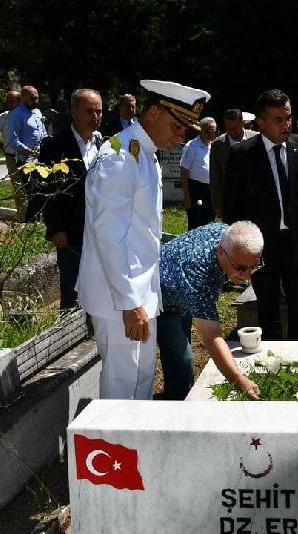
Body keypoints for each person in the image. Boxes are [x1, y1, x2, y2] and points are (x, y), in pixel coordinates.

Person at [77, 79, 210, 400]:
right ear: (152, 113)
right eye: (178, 125)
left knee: (142, 377)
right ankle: (116, 448)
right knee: (123, 383)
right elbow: (108, 236)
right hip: (119, 297)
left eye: (186, 128)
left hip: (138, 291)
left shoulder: (143, 152)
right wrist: (129, 303)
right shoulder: (121, 157)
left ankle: (135, 448)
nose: (182, 136)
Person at [224, 89, 298, 340]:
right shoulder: (242, 155)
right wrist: (238, 251)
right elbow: (233, 207)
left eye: (289, 117)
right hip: (262, 246)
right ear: (261, 122)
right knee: (267, 306)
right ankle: (271, 360)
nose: (286, 124)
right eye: (278, 119)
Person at [158, 221, 263, 400]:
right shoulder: (196, 270)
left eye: (254, 266)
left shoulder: (231, 237)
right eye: (240, 268)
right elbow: (211, 336)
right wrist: (238, 379)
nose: (247, 276)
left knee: (178, 356)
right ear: (221, 253)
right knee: (181, 359)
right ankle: (178, 411)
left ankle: (179, 398)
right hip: (162, 299)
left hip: (182, 292)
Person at [38, 89, 103, 312]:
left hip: (101, 229)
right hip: (71, 231)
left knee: (98, 286)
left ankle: (94, 329)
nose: (95, 117)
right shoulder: (55, 146)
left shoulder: (102, 144)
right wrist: (56, 228)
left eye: (99, 111)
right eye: (89, 111)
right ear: (73, 111)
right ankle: (68, 337)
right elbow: (44, 191)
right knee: (72, 286)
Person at [5, 85, 47, 220]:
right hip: (24, 160)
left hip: (39, 158)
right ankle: (26, 219)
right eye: (32, 99)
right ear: (23, 98)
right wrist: (28, 151)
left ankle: (37, 216)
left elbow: (43, 132)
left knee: (39, 188)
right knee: (25, 191)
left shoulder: (37, 112)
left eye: (37, 98)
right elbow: (12, 139)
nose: (35, 101)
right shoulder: (15, 115)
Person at [210, 108, 259, 219]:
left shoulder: (257, 139)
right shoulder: (218, 145)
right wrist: (217, 204)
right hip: (230, 202)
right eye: (228, 129)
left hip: (255, 200)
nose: (232, 132)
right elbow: (215, 177)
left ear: (243, 123)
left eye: (235, 128)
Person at [180, 116, 217, 229]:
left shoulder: (214, 145)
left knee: (209, 220)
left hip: (209, 189)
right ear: (201, 130)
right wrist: (187, 195)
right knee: (195, 222)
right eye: (207, 131)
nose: (210, 134)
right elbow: (184, 170)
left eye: (213, 132)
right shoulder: (192, 146)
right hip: (195, 189)